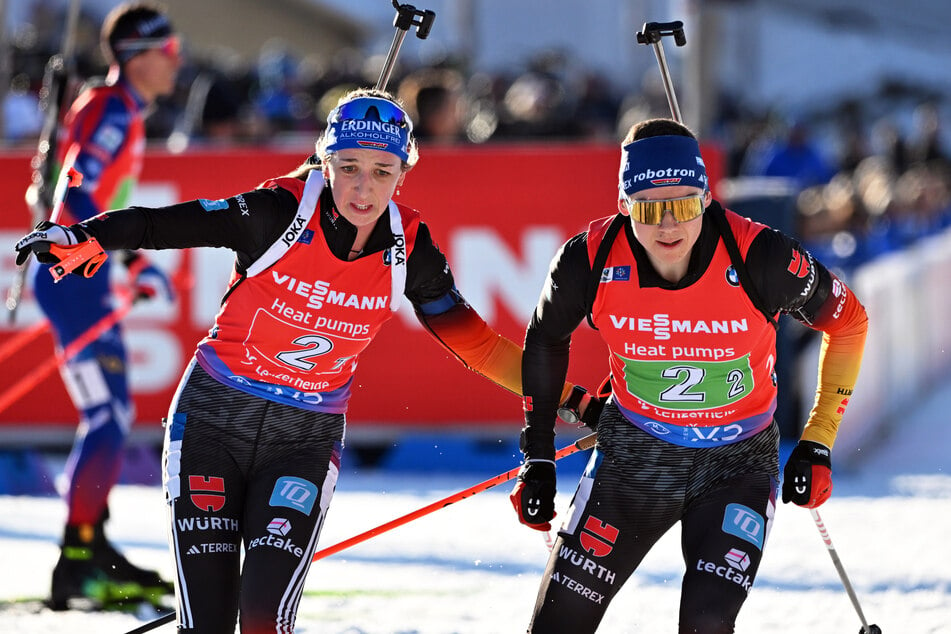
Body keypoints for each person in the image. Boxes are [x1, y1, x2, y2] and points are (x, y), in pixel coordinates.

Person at [15, 87, 597, 633]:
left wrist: (569, 400)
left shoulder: (409, 246)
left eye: (382, 172)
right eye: (348, 168)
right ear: (326, 162)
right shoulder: (278, 212)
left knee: (266, 618)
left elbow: (478, 345)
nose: (363, 189)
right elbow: (164, 223)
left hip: (304, 438)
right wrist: (84, 236)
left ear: (403, 175)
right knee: (208, 623)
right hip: (213, 419)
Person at [509, 118, 868, 633]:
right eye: (649, 209)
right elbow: (545, 339)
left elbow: (850, 320)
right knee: (558, 625)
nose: (668, 226)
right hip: (636, 456)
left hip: (737, 463)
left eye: (682, 205)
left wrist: (818, 440)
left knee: (706, 624)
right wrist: (538, 453)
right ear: (623, 204)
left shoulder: (759, 255)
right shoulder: (587, 258)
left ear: (704, 198)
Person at [18, 1, 182, 610]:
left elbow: (96, 197)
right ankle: (78, 560)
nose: (176, 61)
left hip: (82, 274)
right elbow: (80, 186)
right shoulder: (111, 109)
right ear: (138, 58)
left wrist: (131, 260)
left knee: (111, 415)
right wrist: (75, 240)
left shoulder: (122, 111)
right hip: (74, 280)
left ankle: (90, 545)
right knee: (108, 417)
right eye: (167, 52)